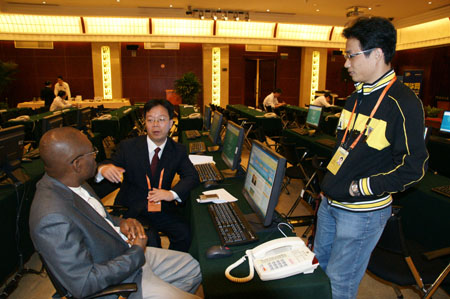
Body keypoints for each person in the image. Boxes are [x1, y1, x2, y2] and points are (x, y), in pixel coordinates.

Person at [313, 16, 428, 299]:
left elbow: (413, 168)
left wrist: (358, 187)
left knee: (340, 283)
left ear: (377, 54)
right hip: (329, 204)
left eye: (351, 55)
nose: (346, 63)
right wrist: (329, 186)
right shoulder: (354, 98)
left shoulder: (402, 103)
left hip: (361, 212)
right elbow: (344, 149)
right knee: (316, 271)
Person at [29, 127, 202, 299]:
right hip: (121, 280)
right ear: (77, 164)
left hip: (123, 252)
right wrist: (136, 252)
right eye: (92, 152)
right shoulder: (52, 218)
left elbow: (95, 217)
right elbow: (84, 284)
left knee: (192, 267)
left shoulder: (71, 180)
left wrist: (121, 222)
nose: (96, 156)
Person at [97, 99, 199, 252]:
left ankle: (172, 265)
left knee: (184, 233)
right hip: (133, 207)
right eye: (150, 120)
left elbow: (191, 176)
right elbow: (107, 163)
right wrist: (104, 169)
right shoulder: (128, 147)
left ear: (171, 123)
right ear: (145, 122)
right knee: (150, 239)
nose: (155, 125)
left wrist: (171, 194)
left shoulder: (178, 150)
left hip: (163, 207)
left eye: (161, 120)